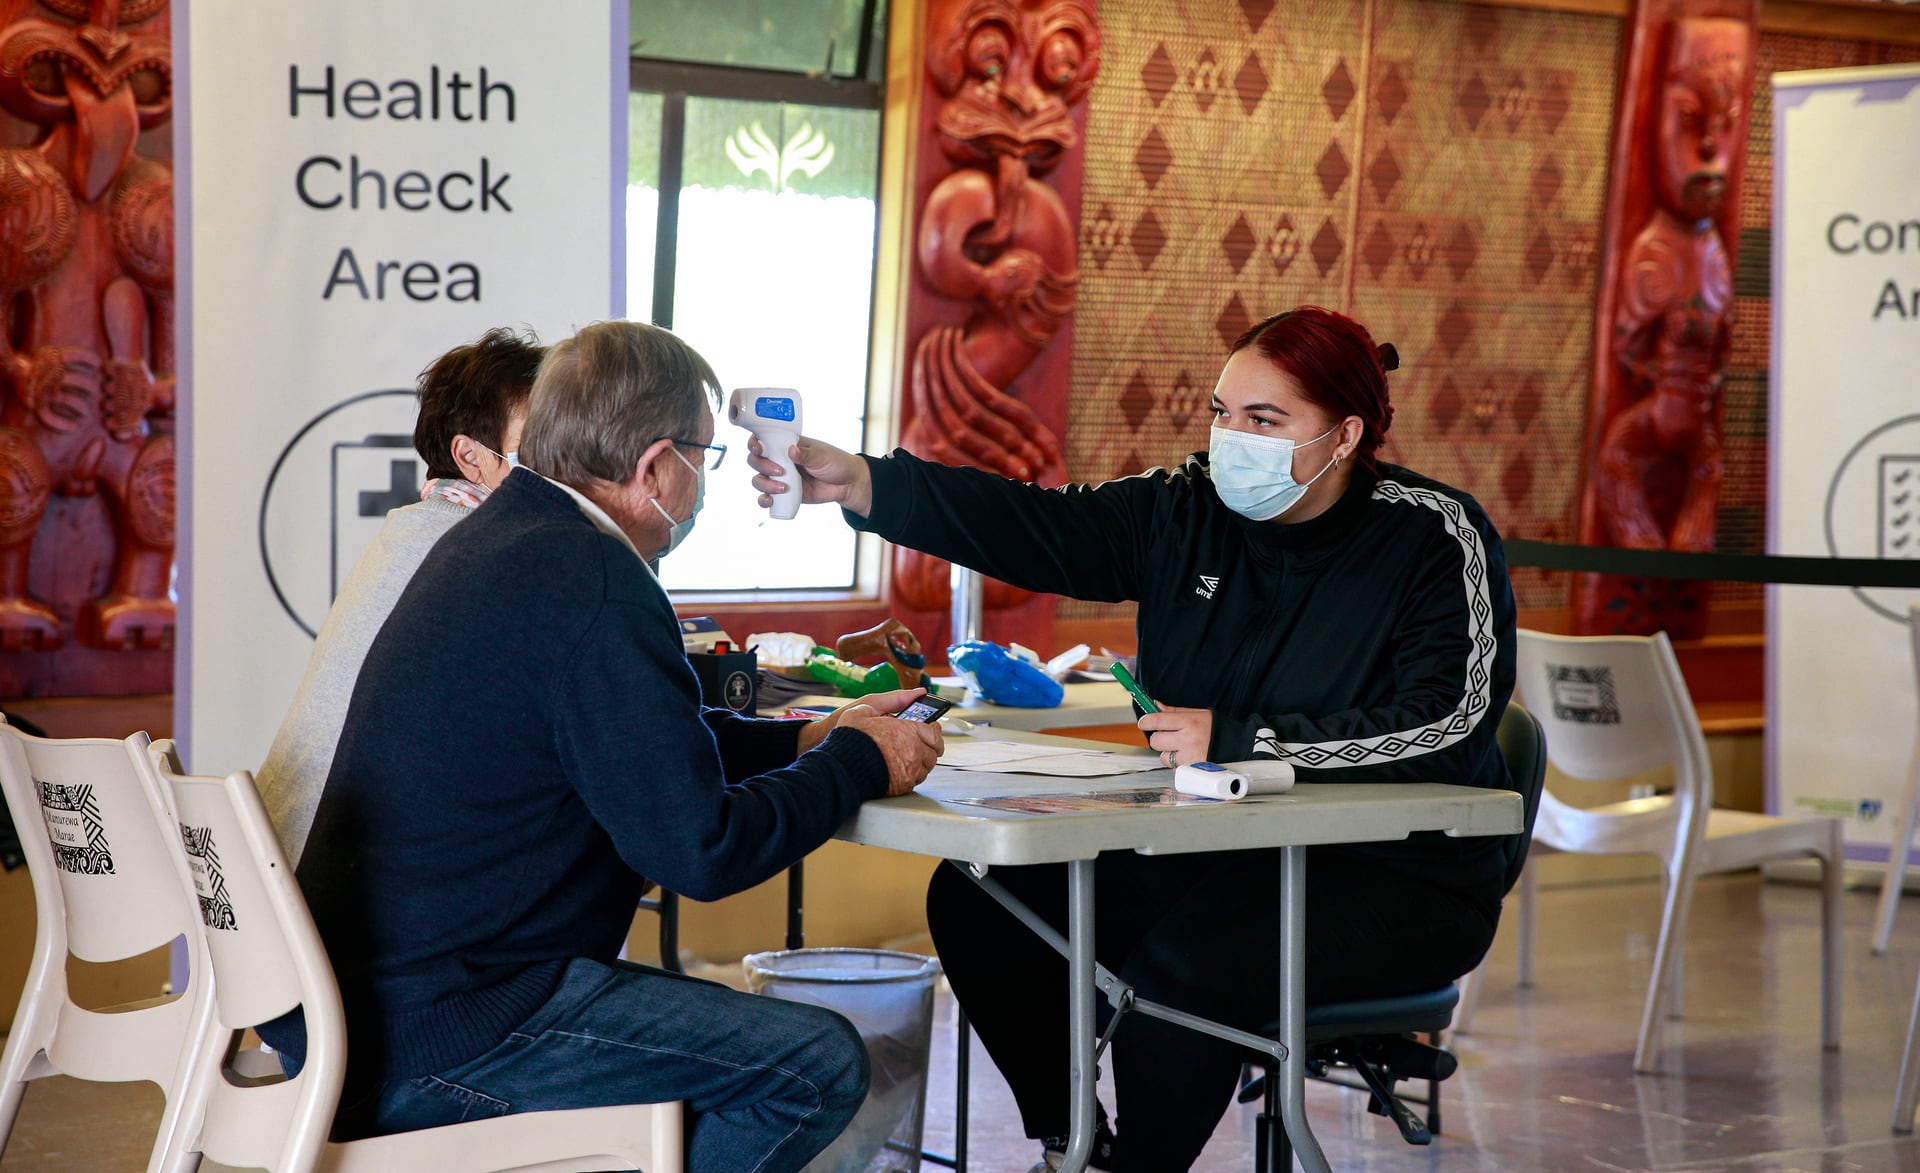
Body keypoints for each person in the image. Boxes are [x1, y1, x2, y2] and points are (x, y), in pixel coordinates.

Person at [750, 305, 1520, 1172]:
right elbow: (1035, 524)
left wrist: (1241, 738)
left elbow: (1449, 726)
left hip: (1396, 874)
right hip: (1220, 845)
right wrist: (863, 483)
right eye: (1224, 411)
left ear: (1344, 436)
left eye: (1265, 421)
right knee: (983, 902)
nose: (1233, 439)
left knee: (1182, 969)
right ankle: (1069, 1144)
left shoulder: (1434, 535)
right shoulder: (1186, 506)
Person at [259, 320, 944, 1172]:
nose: (702, 485)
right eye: (705, 457)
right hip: (446, 1026)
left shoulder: (501, 537)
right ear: (655, 465)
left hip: (356, 1006)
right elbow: (701, 850)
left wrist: (810, 735)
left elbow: (631, 743)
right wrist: (862, 763)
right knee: (813, 1063)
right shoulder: (597, 580)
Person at [257, 327, 542, 867]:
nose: (562, 458)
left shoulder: (411, 532)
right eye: (541, 440)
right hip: (337, 896)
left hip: (277, 892)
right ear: (470, 456)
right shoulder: (483, 553)